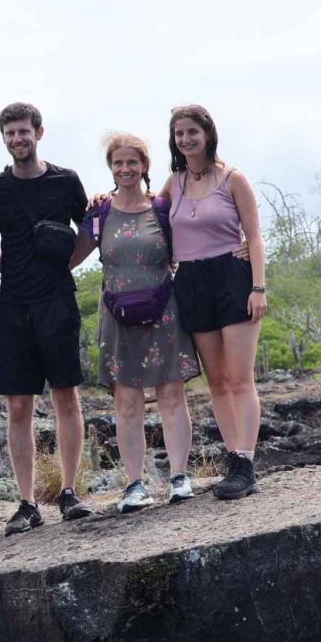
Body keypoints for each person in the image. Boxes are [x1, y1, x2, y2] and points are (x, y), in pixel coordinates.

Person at [0, 102, 92, 536]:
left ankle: (68, 492)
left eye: (24, 131)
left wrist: (66, 264)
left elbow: (90, 230)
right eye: (10, 134)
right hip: (14, 307)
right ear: (4, 138)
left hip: (58, 301)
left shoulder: (66, 181)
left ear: (39, 133)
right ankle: (26, 503)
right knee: (18, 405)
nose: (17, 140)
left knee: (66, 396)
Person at [70, 133, 199, 513]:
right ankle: (134, 485)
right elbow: (69, 259)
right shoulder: (99, 214)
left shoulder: (163, 209)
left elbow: (195, 245)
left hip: (165, 310)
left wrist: (242, 249)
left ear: (144, 166)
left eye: (132, 162)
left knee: (172, 397)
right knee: (127, 403)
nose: (125, 169)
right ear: (111, 168)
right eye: (118, 163)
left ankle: (179, 477)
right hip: (116, 314)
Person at [160, 105, 268, 499]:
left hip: (232, 277)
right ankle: (232, 457)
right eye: (179, 134)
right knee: (217, 381)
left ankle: (245, 463)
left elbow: (254, 237)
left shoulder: (232, 178)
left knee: (240, 378)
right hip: (190, 281)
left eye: (192, 132)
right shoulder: (173, 184)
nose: (186, 140)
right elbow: (145, 216)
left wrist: (258, 287)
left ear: (207, 134)